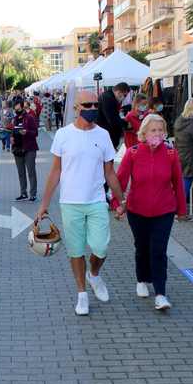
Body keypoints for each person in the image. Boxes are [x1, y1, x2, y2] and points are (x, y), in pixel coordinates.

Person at [36, 90, 127, 316]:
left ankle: (94, 275)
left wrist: (121, 199)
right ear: (76, 108)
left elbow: (110, 173)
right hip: (70, 202)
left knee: (101, 247)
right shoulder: (63, 135)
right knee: (76, 251)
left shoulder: (103, 135)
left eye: (95, 104)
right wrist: (44, 205)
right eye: (87, 104)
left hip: (96, 200)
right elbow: (55, 172)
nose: (92, 108)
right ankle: (82, 294)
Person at [112, 114, 187, 311]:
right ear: (144, 133)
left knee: (159, 251)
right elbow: (120, 180)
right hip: (137, 210)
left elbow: (178, 183)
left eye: (160, 130)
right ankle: (142, 278)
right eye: (153, 130)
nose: (157, 134)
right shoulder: (133, 152)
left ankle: (161, 293)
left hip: (164, 210)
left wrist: (181, 209)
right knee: (142, 247)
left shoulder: (171, 154)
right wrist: (117, 204)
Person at [11, 99, 39, 202]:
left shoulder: (29, 117)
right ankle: (23, 193)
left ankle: (33, 194)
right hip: (17, 149)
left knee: (31, 172)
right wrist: (12, 137)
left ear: (22, 106)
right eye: (15, 107)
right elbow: (13, 131)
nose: (16, 108)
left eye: (18, 106)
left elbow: (35, 132)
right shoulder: (14, 119)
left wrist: (26, 132)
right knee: (21, 173)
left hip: (29, 148)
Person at [97, 82, 129, 149]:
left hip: (107, 136)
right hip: (107, 137)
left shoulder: (108, 96)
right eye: (124, 95)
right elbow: (113, 120)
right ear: (119, 92)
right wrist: (126, 124)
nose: (124, 98)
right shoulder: (108, 98)